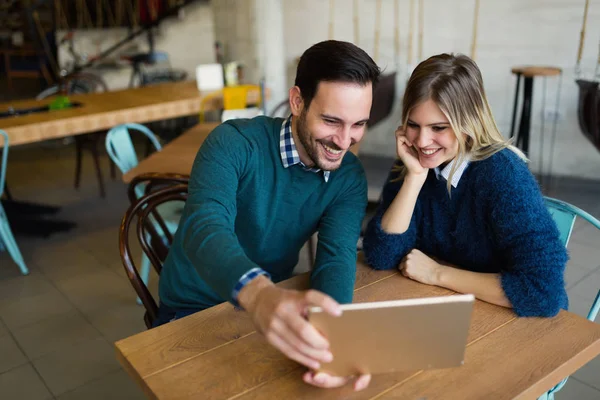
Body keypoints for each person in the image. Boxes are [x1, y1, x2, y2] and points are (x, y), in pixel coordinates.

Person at [155, 40, 380, 390]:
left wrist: (334, 338)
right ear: (297, 101)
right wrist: (259, 295)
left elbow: (335, 260)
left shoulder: (348, 178)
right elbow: (205, 228)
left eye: (358, 124)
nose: (344, 140)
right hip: (194, 308)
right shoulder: (233, 143)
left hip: (273, 306)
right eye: (332, 121)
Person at [363, 53, 568, 317]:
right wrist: (414, 179)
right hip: (449, 307)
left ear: (468, 123)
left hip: (514, 318)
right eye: (413, 125)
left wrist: (437, 273)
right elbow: (381, 256)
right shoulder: (412, 162)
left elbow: (543, 292)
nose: (422, 141)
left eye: (438, 128)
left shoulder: (502, 174)